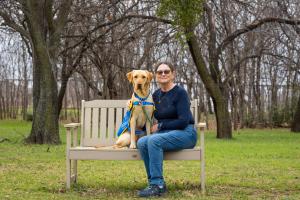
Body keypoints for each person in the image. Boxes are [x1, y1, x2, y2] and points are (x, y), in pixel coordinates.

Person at [137, 61, 197, 197]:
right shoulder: (155, 95)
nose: (163, 74)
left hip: (186, 133)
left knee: (154, 140)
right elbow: (148, 116)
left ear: (173, 74)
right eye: (160, 72)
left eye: (166, 71)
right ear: (156, 76)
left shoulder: (180, 93)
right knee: (142, 142)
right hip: (166, 134)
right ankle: (153, 182)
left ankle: (157, 185)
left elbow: (183, 121)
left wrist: (161, 126)